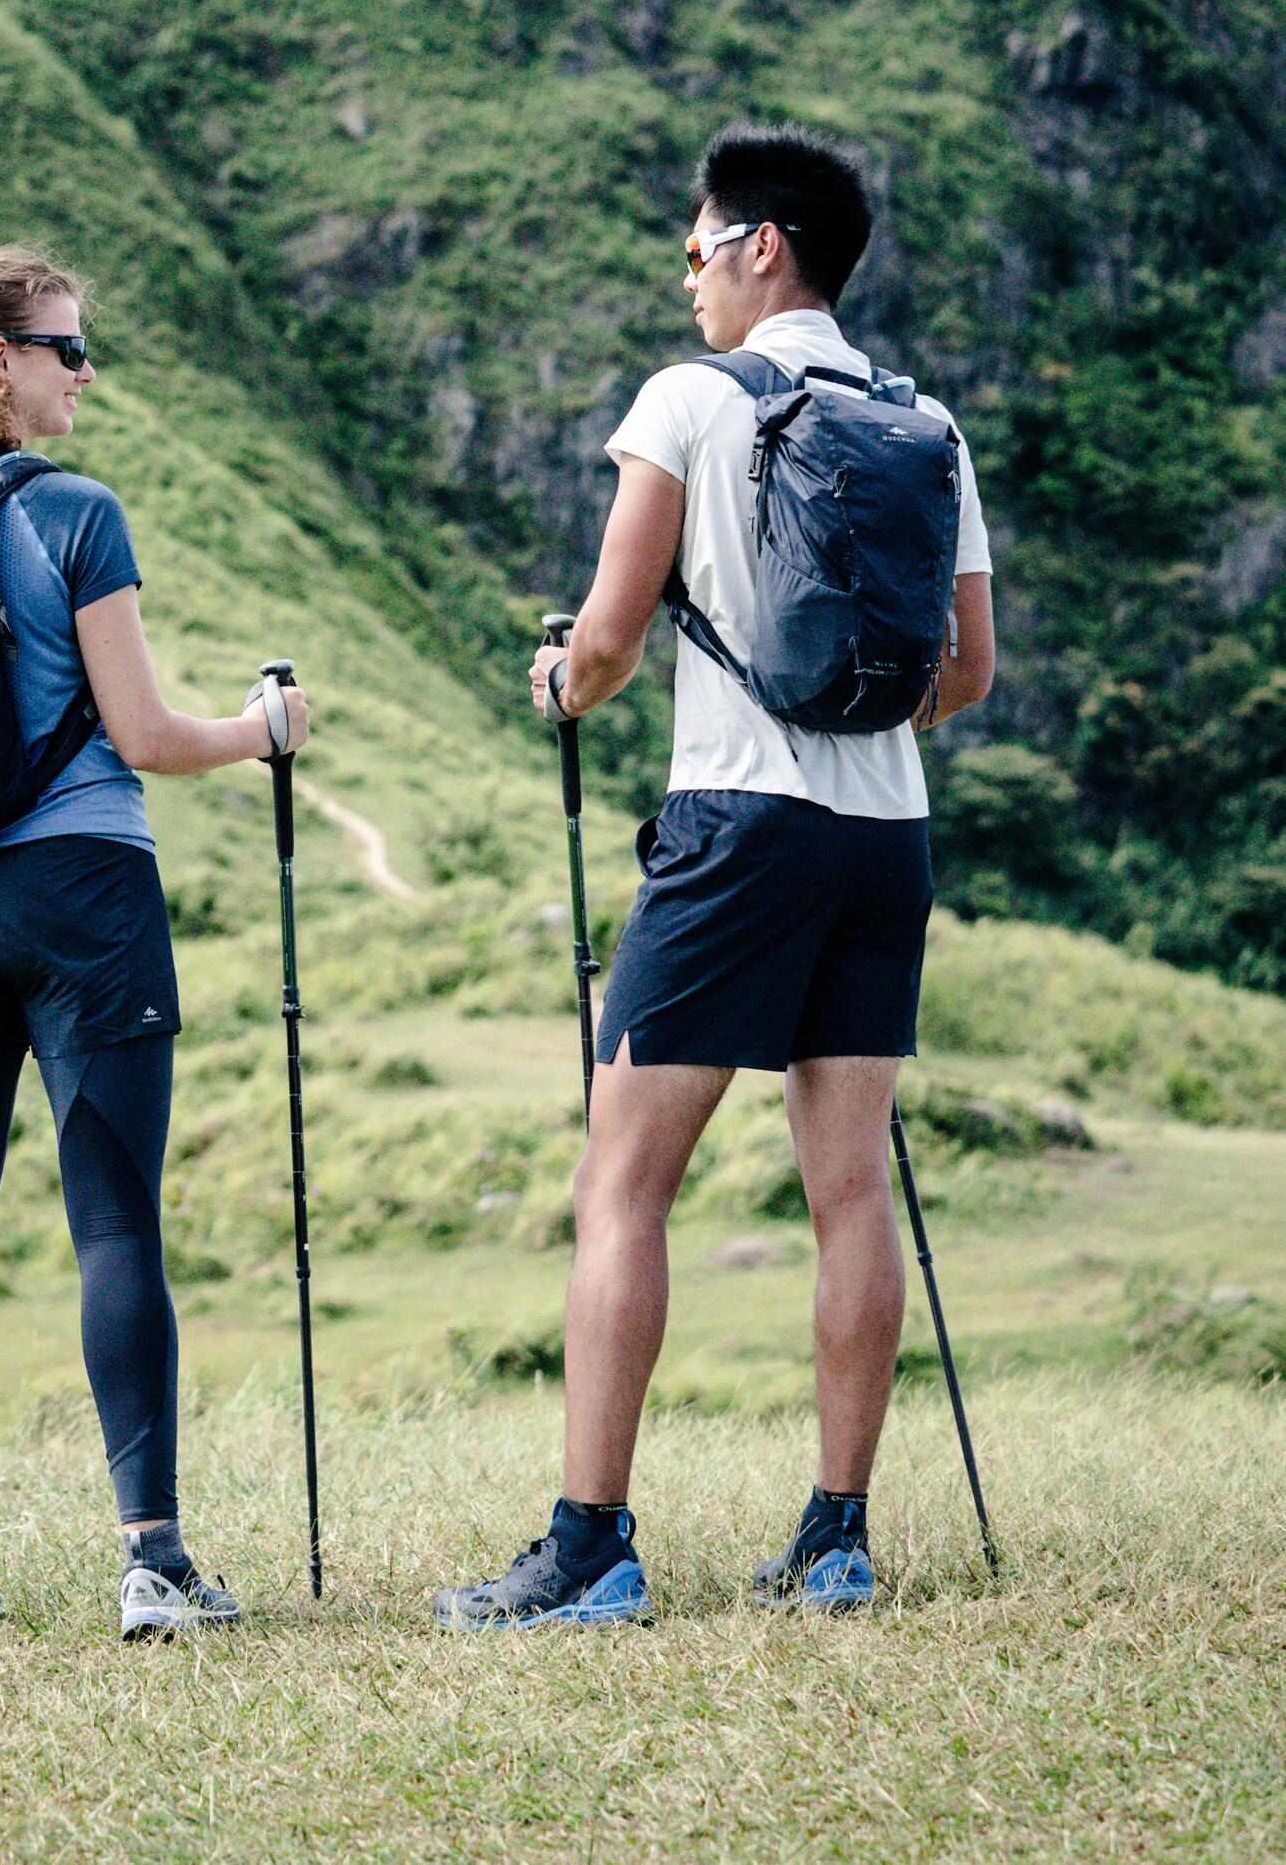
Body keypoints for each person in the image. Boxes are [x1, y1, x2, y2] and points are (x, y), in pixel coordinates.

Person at [434, 124, 995, 1628]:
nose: (685, 276)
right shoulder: (924, 420)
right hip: (886, 832)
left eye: (696, 247)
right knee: (849, 1182)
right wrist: (844, 717)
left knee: (626, 1179)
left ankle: (592, 1544)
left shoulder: (689, 399)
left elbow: (611, 638)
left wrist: (565, 682)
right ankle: (835, 1538)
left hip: (735, 824)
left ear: (762, 247)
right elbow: (970, 669)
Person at [0, 245, 309, 1638]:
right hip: (80, 889)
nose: (85, 369)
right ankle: (153, 1563)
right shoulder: (76, 513)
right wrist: (265, 731)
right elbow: (147, 737)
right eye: (66, 347)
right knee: (112, 1212)